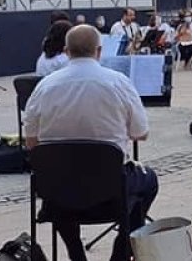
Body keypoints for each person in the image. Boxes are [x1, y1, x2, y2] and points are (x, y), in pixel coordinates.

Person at [23, 25, 158, 261]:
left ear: (66, 51)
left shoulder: (44, 86)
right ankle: (121, 253)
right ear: (99, 51)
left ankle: (76, 253)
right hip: (111, 193)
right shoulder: (118, 82)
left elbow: (32, 141)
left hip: (60, 195)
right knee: (149, 181)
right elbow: (141, 132)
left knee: (59, 181)